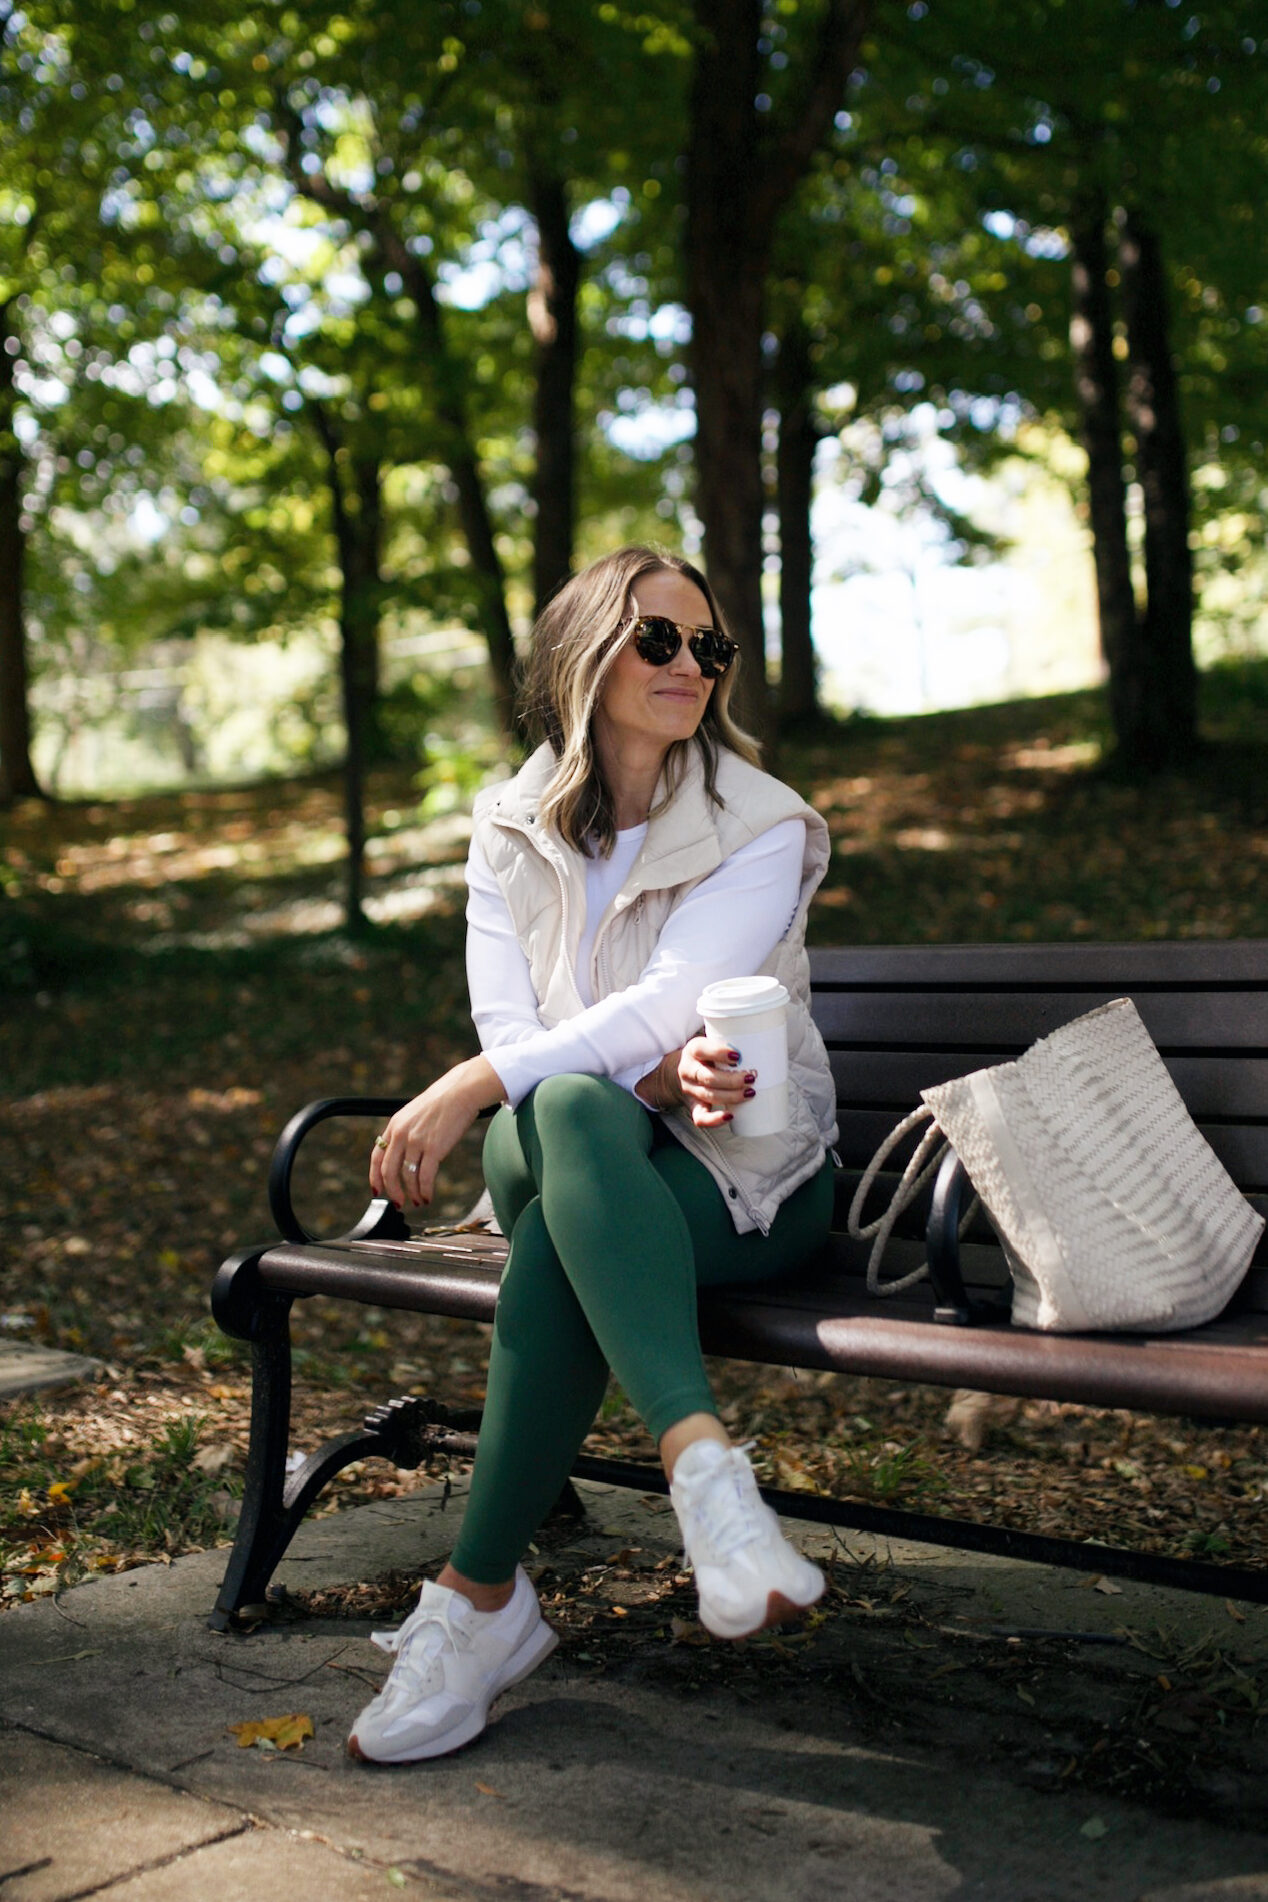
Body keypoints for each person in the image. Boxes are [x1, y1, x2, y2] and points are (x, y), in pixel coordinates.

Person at [348, 546, 838, 1766]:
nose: (689, 666)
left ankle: (477, 1602)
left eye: (707, 645)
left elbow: (671, 999)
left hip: (749, 1177)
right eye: (656, 639)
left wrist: (476, 1087)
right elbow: (519, 1033)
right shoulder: (510, 826)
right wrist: (626, 1073)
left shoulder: (758, 823)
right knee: (566, 1116)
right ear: (584, 655)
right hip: (569, 1155)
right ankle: (708, 1488)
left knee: (559, 1183)